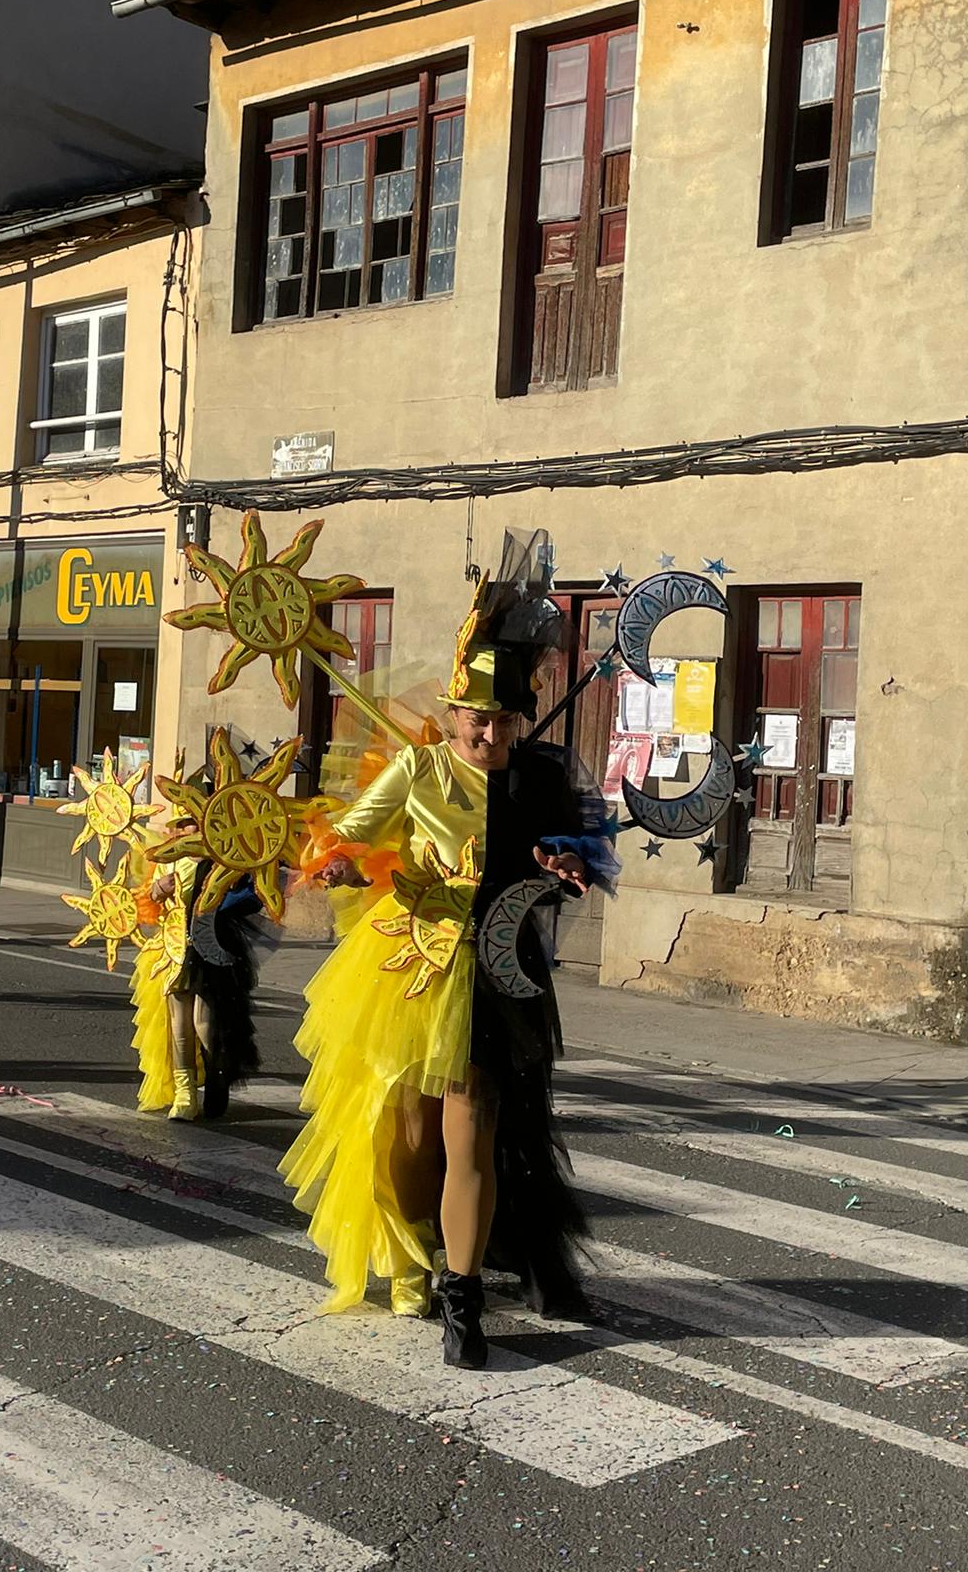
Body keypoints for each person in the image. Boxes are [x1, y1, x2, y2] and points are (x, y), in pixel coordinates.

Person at [281, 538, 614, 1369]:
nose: (491, 733)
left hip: (499, 975)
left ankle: (464, 1303)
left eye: (505, 721)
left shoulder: (537, 776)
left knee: (473, 1134)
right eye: (478, 720)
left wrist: (564, 863)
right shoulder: (420, 771)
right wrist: (343, 857)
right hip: (414, 972)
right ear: (456, 713)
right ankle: (409, 1246)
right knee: (410, 1132)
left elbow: (575, 853)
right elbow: (346, 835)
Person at [132, 813, 261, 1121]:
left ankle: (218, 1076)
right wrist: (157, 891)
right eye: (183, 824)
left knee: (204, 1023)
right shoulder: (165, 858)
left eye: (193, 822)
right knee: (179, 1027)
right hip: (173, 951)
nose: (188, 829)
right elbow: (147, 902)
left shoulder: (218, 856)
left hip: (209, 950)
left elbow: (244, 895)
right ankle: (185, 1094)